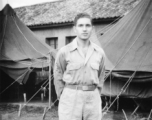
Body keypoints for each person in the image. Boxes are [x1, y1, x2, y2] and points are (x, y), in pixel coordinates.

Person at [54, 12, 105, 120]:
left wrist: (96, 93)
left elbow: (101, 76)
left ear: (92, 28)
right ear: (74, 29)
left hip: (93, 98)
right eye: (80, 25)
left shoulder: (99, 52)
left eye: (88, 25)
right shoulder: (64, 51)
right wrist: (64, 95)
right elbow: (58, 75)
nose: (84, 29)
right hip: (71, 98)